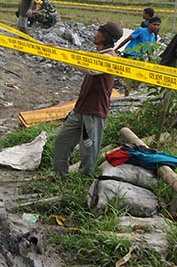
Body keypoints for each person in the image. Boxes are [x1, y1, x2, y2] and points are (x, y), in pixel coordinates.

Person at [52, 22, 124, 175]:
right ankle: (59, 175)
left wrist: (62, 56)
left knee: (88, 149)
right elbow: (83, 58)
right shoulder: (100, 55)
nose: (95, 34)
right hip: (81, 109)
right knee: (62, 141)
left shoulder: (110, 58)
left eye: (98, 31)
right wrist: (60, 51)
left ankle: (85, 180)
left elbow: (90, 68)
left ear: (105, 37)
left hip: (93, 111)